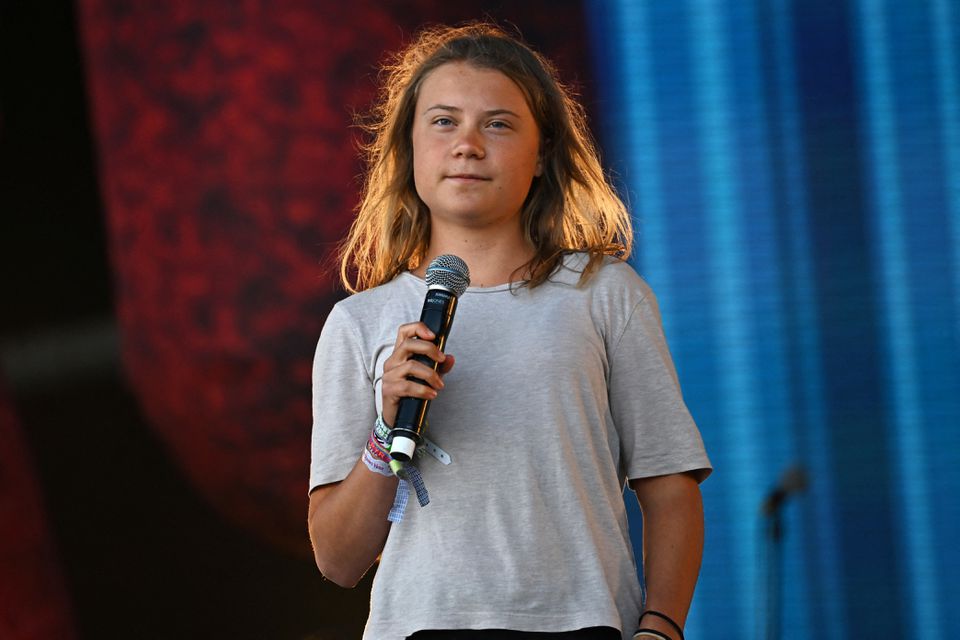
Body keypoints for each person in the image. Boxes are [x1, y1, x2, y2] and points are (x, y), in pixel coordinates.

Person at [307, 22, 711, 640]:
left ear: (543, 153)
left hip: (583, 622)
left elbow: (670, 483)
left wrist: (660, 627)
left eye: (497, 123)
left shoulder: (604, 294)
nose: (467, 144)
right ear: (409, 147)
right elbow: (338, 560)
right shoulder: (358, 323)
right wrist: (385, 429)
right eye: (443, 122)